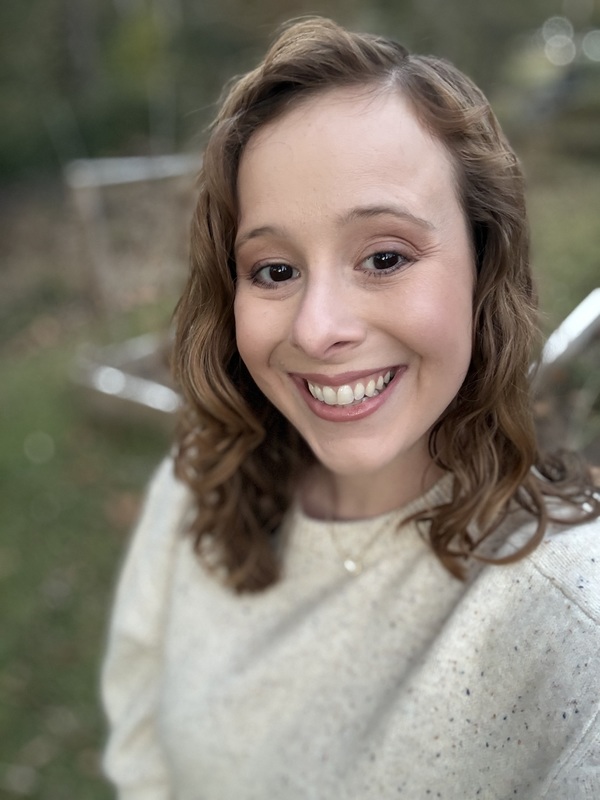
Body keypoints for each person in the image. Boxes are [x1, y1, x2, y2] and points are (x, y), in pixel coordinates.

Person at [101, 17, 600, 799]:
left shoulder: (573, 620)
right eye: (273, 270)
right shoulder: (196, 489)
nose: (317, 328)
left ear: (484, 263)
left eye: (385, 256)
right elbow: (139, 755)